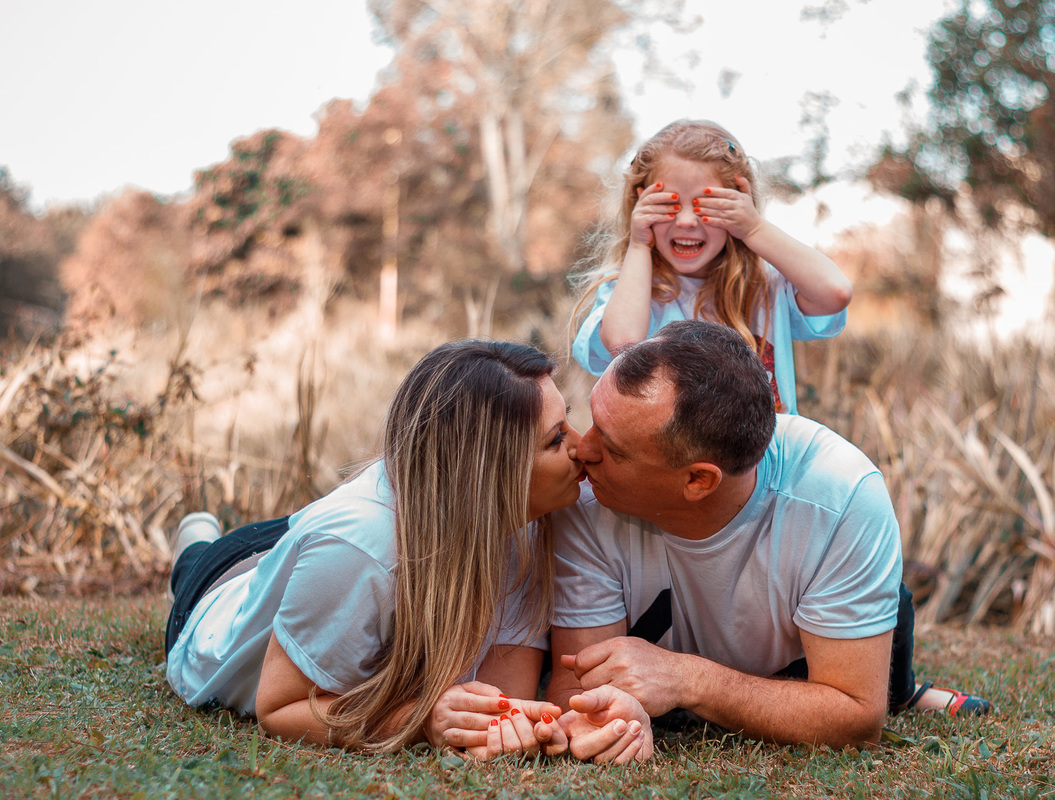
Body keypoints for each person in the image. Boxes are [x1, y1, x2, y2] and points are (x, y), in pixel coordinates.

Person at [164, 340, 647, 762]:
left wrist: (527, 725)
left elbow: (502, 699)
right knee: (200, 562)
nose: (582, 448)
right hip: (222, 590)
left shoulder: (528, 520)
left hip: (329, 544)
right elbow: (281, 709)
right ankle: (194, 542)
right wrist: (421, 723)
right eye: (555, 438)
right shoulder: (356, 548)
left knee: (320, 544)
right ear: (488, 473)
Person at [548, 321, 989, 753]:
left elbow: (856, 719)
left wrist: (688, 679)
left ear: (699, 480)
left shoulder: (840, 498)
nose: (582, 451)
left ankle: (905, 691)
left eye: (613, 447)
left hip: (803, 657)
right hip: (721, 641)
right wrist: (602, 716)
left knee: (890, 631)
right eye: (593, 422)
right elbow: (576, 688)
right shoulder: (587, 495)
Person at [572, 118, 852, 414]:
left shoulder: (766, 286)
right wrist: (639, 245)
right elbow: (623, 343)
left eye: (709, 206)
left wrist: (754, 230)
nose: (687, 221)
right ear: (639, 203)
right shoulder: (628, 289)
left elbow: (836, 292)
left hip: (767, 458)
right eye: (669, 204)